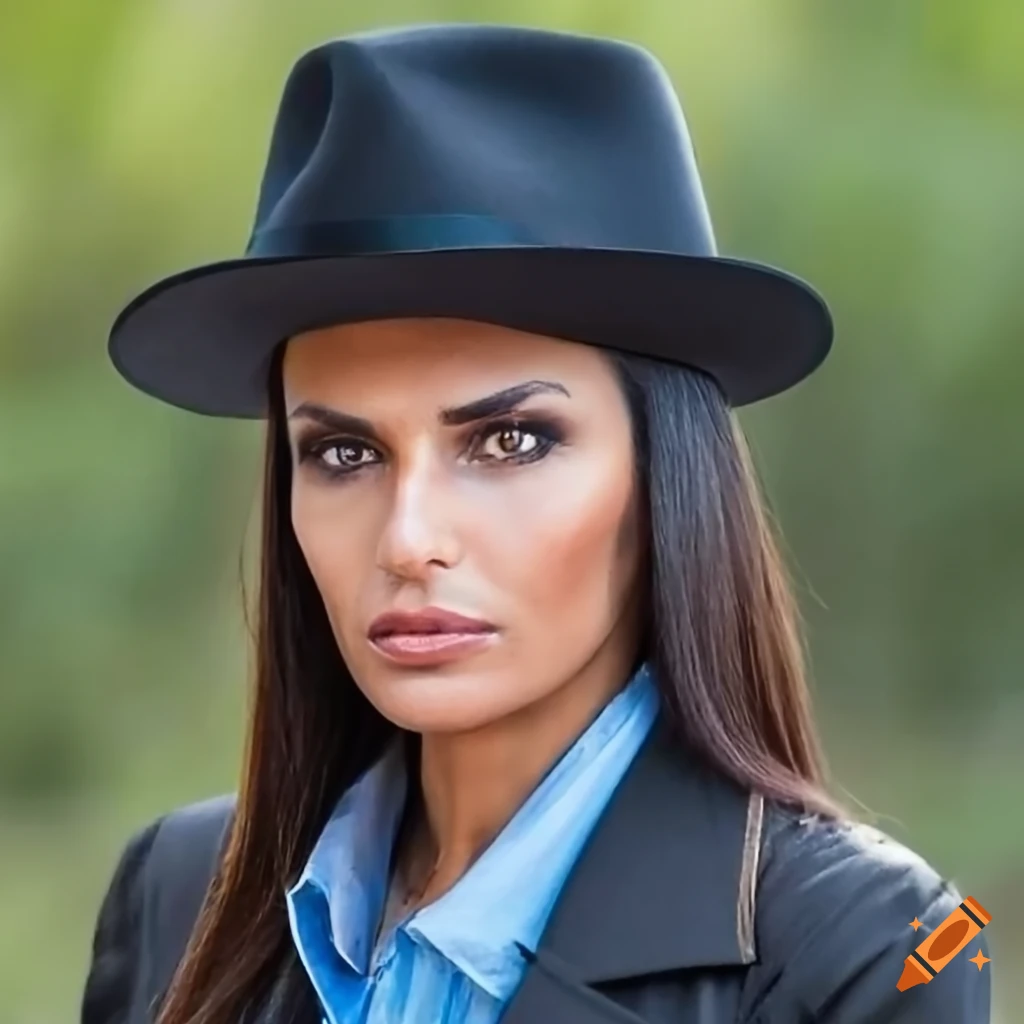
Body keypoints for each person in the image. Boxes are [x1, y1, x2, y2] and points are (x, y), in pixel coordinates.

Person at [81, 23, 991, 1024]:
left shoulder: (858, 951)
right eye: (344, 453)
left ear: (661, 475)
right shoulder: (179, 895)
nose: (406, 538)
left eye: (508, 441)